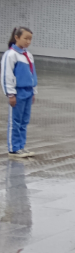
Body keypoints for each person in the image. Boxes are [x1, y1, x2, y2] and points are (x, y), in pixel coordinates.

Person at [1, 27, 38, 158]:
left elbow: (32, 74)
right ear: (17, 37)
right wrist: (11, 94)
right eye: (25, 38)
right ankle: (13, 148)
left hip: (28, 92)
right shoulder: (10, 55)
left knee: (24, 121)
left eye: (30, 39)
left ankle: (21, 146)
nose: (28, 42)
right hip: (18, 92)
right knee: (15, 121)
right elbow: (6, 75)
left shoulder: (28, 55)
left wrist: (34, 91)